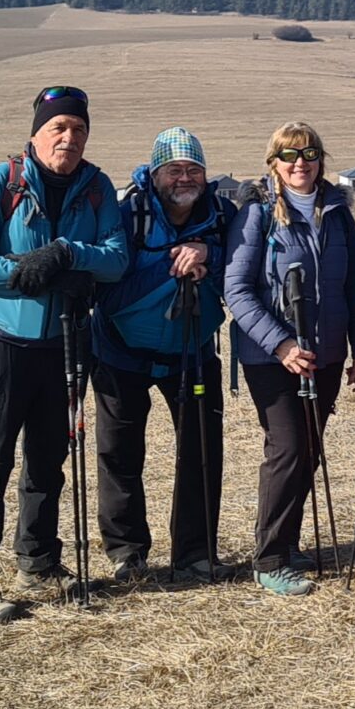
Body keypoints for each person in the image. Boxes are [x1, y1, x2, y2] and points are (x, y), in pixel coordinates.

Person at [0, 85, 130, 625]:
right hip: (2, 344)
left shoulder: (96, 188)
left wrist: (68, 252)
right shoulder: (2, 181)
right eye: (58, 128)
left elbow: (116, 259)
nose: (69, 138)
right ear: (37, 134)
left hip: (66, 345)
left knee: (49, 462)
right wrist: (31, 272)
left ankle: (39, 562)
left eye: (79, 129)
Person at [224, 122, 355, 596]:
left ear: (321, 160)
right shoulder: (257, 215)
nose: (300, 163)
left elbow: (353, 285)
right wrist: (281, 345)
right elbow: (237, 290)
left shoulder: (337, 214)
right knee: (287, 449)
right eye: (289, 155)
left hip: (324, 352)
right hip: (270, 357)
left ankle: (287, 543)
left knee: (308, 449)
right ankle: (269, 558)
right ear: (274, 162)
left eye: (309, 153)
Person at [92, 127, 233, 587]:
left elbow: (241, 274)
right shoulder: (126, 216)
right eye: (174, 169)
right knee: (119, 455)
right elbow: (108, 294)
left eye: (194, 169)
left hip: (192, 353)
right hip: (120, 353)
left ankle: (196, 554)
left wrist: (208, 254)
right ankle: (126, 553)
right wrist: (173, 265)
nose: (184, 178)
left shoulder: (223, 216)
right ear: (154, 174)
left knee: (201, 453)